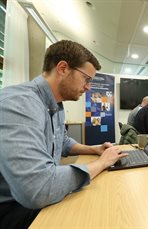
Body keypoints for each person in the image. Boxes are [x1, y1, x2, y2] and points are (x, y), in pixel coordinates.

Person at [0, 40, 128, 228]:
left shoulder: (56, 105)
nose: (88, 87)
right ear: (62, 68)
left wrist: (94, 149)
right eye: (87, 79)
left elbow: (63, 141)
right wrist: (101, 163)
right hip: (14, 211)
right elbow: (38, 189)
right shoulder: (20, 103)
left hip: (36, 202)